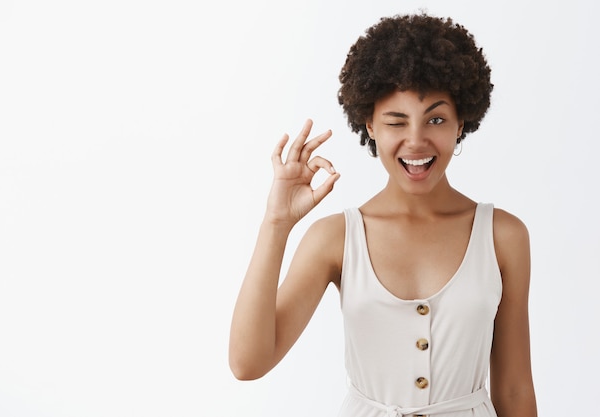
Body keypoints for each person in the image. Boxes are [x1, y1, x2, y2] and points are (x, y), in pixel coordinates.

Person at [229, 12, 537, 417]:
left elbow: (514, 391)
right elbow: (247, 363)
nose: (416, 140)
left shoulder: (503, 236)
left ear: (462, 122)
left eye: (436, 119)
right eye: (396, 121)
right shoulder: (335, 238)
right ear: (369, 124)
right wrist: (276, 224)